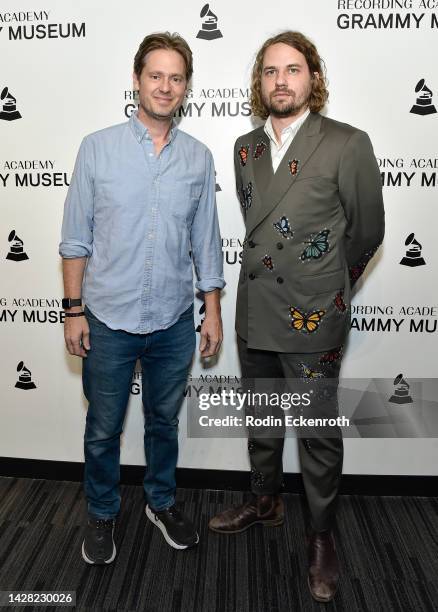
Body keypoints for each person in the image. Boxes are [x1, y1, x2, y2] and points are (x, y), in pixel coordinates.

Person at [208, 31, 384, 603]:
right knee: (260, 416)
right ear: (260, 83)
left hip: (313, 314)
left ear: (313, 78)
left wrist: (331, 285)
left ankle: (322, 534)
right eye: (269, 71)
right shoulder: (244, 148)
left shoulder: (346, 143)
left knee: (315, 433)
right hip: (255, 308)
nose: (280, 80)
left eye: (293, 69)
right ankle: (264, 502)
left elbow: (368, 232)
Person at [59, 31, 224, 564]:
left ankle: (161, 502)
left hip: (174, 322)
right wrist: (73, 311)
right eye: (156, 75)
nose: (165, 86)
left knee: (163, 423)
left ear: (186, 87)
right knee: (103, 429)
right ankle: (103, 513)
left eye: (176, 78)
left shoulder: (198, 158)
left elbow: (206, 243)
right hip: (106, 318)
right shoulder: (96, 148)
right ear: (136, 80)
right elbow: (75, 240)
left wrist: (211, 313)